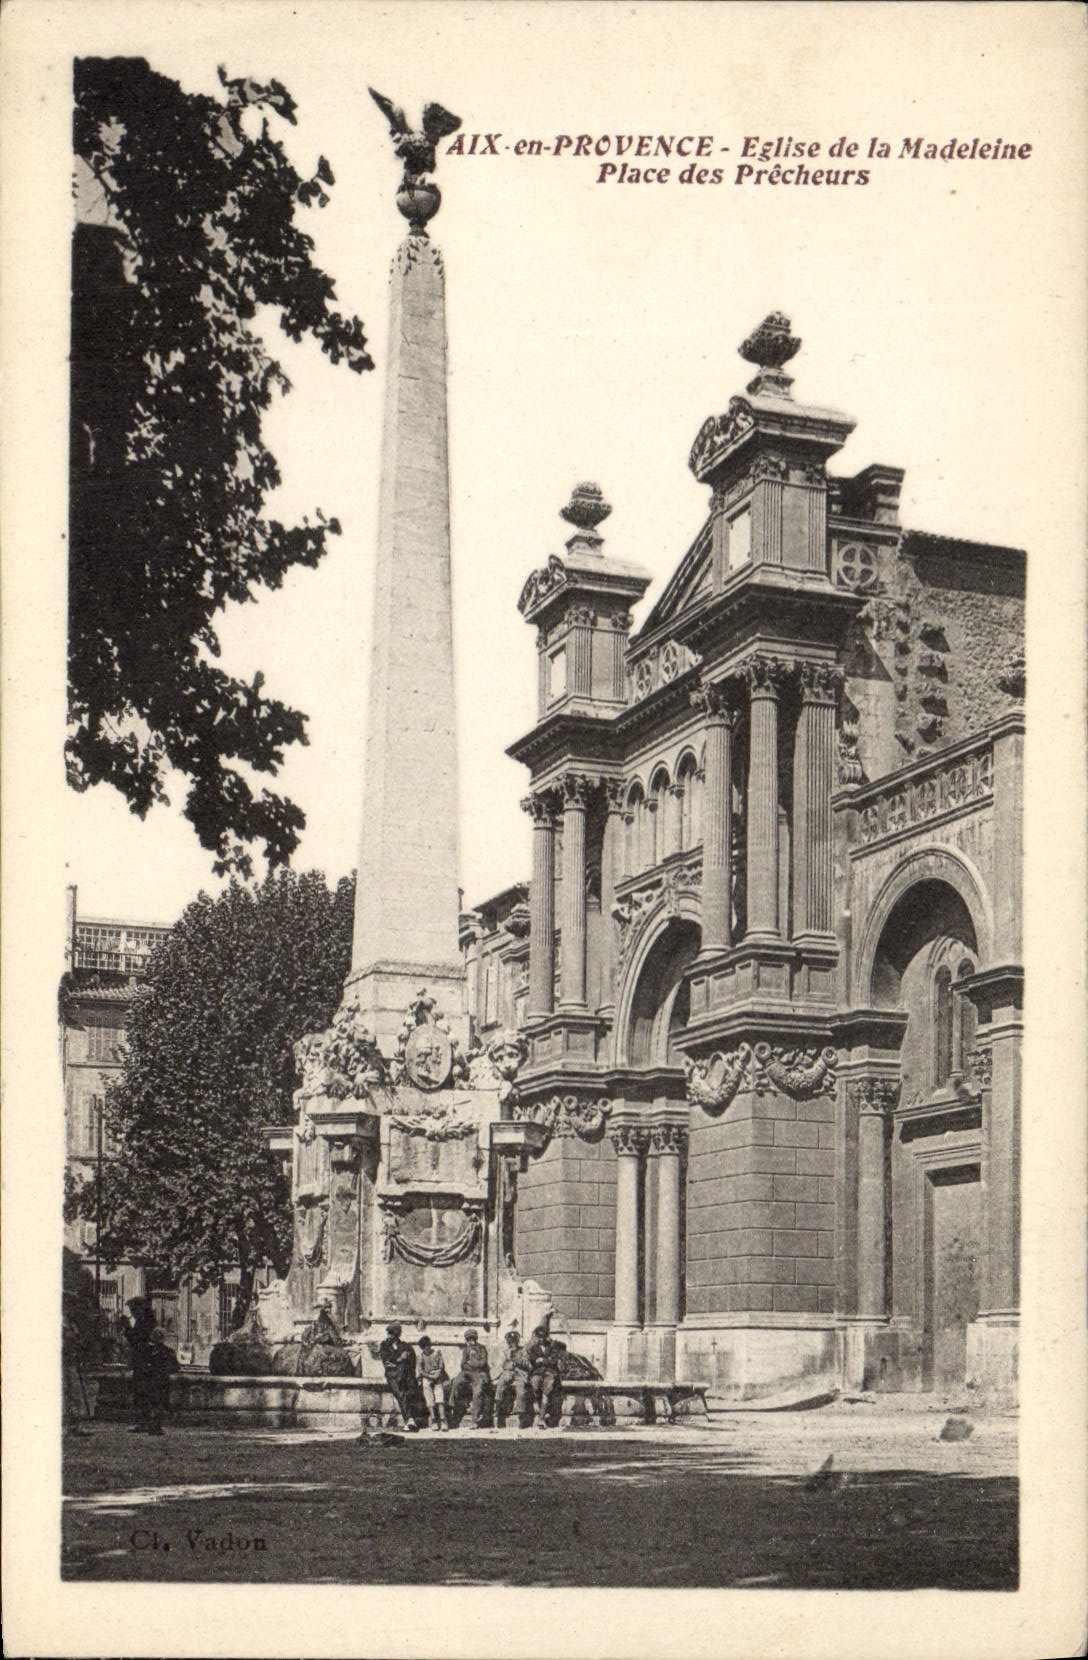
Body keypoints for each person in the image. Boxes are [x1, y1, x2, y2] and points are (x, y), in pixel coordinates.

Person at [122, 1296, 158, 1434]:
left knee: (143, 1392)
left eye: (133, 1309)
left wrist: (127, 1328)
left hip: (144, 1362)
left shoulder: (144, 1323)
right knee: (143, 1392)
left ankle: (146, 1423)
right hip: (144, 1362)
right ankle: (146, 1423)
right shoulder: (146, 1321)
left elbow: (137, 1341)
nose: (132, 1313)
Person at [377, 1322, 419, 1431]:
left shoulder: (405, 1346)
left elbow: (411, 1361)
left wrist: (397, 1362)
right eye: (389, 1333)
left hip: (405, 1375)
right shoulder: (384, 1346)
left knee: (408, 1390)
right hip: (393, 1376)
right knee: (401, 1393)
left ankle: (411, 1420)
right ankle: (409, 1419)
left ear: (397, 1335)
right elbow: (386, 1361)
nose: (389, 1336)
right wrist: (400, 1359)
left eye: (392, 1334)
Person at [451, 1327, 491, 1429]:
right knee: (456, 1382)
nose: (471, 1341)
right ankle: (451, 1403)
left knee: (478, 1392)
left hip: (479, 1373)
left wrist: (471, 1363)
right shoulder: (466, 1350)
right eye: (469, 1339)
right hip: (467, 1373)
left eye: (472, 1339)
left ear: (476, 1339)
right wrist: (471, 1365)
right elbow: (463, 1364)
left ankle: (475, 1420)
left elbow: (483, 1363)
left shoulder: (482, 1349)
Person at [493, 1329, 532, 1429]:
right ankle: (499, 1412)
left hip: (520, 1373)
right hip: (508, 1372)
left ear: (517, 1341)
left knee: (521, 1390)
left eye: (514, 1341)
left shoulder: (523, 1351)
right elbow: (499, 1365)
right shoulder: (504, 1351)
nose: (512, 1344)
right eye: (510, 1342)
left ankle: (521, 1416)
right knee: (501, 1385)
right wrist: (507, 1360)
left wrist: (518, 1361)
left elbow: (528, 1365)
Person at [143, 1328, 180, 1435]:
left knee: (152, 1403)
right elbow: (176, 1367)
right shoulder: (169, 1352)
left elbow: (142, 1366)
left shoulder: (147, 1351)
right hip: (163, 1380)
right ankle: (156, 1425)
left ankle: (151, 1424)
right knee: (160, 1403)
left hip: (150, 1380)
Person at [528, 1323, 563, 1428]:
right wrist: (538, 1361)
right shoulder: (533, 1348)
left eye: (543, 1337)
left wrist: (542, 1360)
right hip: (537, 1372)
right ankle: (544, 1410)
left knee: (547, 1391)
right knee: (535, 1386)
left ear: (546, 1337)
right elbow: (532, 1360)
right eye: (539, 1337)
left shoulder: (553, 1347)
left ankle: (541, 1419)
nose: (541, 1340)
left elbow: (554, 1360)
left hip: (550, 1372)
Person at [417, 1335, 450, 1431]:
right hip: (427, 1378)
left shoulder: (437, 1354)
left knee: (440, 1399)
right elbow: (421, 1370)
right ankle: (434, 1420)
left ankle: (443, 1420)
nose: (427, 1349)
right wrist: (429, 1377)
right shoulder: (420, 1356)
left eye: (428, 1346)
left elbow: (441, 1366)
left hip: (437, 1378)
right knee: (430, 1401)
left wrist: (436, 1376)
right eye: (424, 1347)